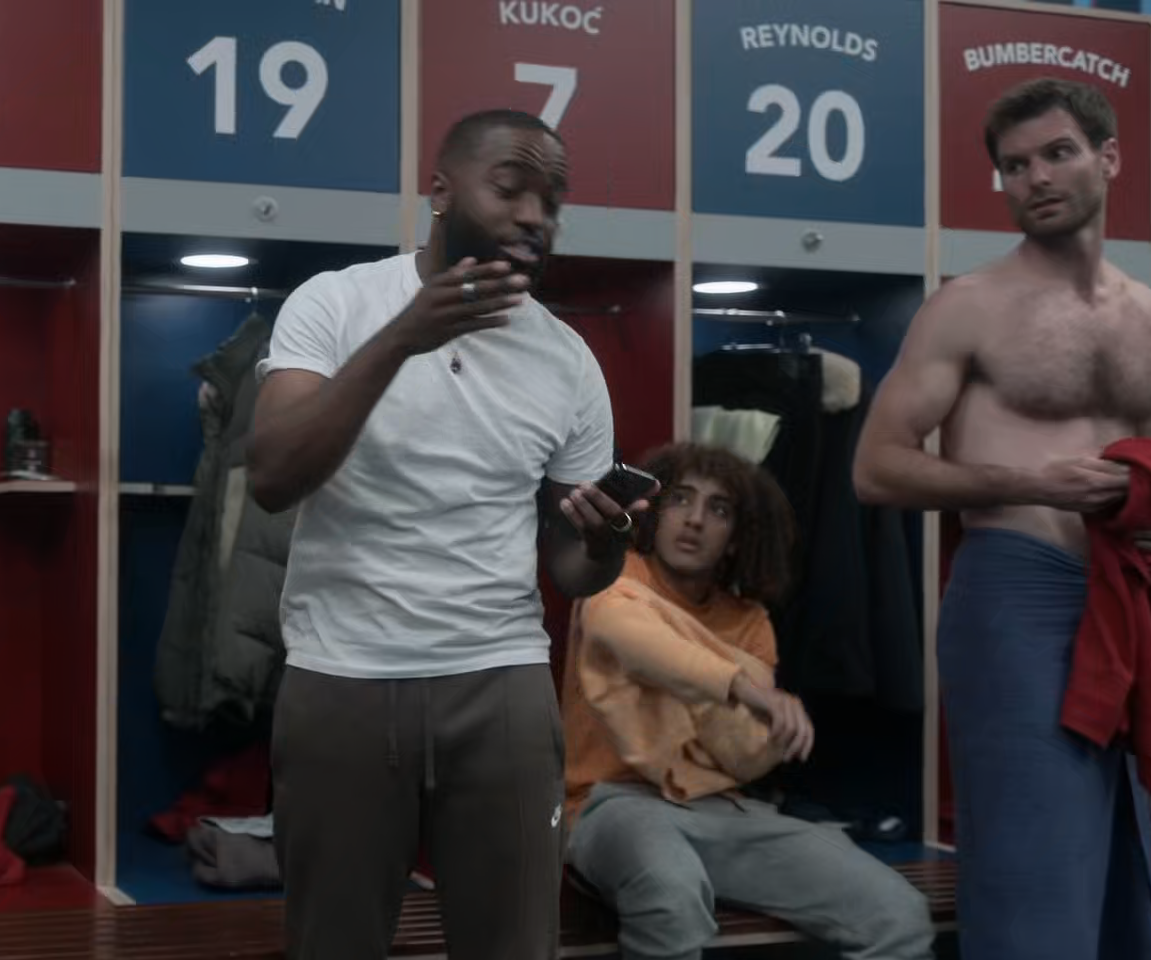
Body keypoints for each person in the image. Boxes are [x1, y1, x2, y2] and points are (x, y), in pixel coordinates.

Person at [247, 108, 650, 960]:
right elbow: (274, 476)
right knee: (333, 944)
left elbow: (572, 571)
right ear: (439, 190)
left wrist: (604, 542)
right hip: (344, 680)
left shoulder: (568, 358)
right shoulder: (336, 303)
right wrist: (404, 337)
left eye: (551, 200)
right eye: (511, 188)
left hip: (499, 680)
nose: (534, 215)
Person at [853, 76, 1151, 958]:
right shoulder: (969, 306)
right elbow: (876, 467)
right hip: (1018, 590)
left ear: (1108, 157)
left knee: (1133, 890)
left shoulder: (1146, 314)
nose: (1036, 178)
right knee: (1033, 885)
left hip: (1132, 593)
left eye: (1057, 154)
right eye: (1015, 166)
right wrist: (1033, 483)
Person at [561, 442, 934, 960]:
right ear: (654, 513)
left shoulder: (750, 621)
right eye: (680, 499)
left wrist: (709, 683)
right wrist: (743, 686)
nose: (695, 520)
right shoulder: (616, 578)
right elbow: (625, 631)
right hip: (607, 804)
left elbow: (748, 753)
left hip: (722, 808)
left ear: (737, 536)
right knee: (671, 895)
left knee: (899, 913)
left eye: (718, 509)